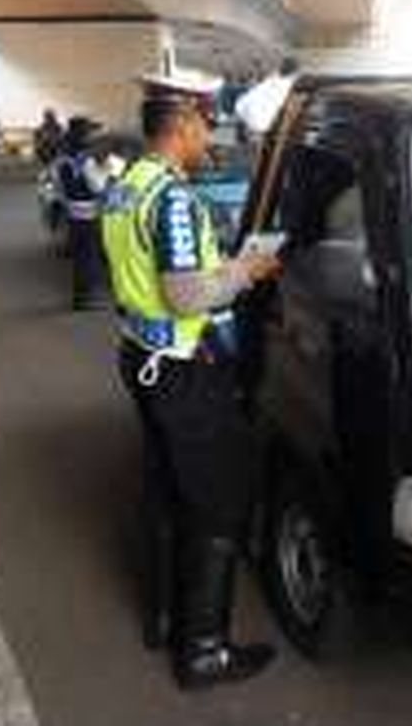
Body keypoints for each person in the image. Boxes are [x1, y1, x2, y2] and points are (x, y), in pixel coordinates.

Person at [101, 79, 281, 690]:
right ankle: (203, 651)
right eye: (205, 124)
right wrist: (246, 270)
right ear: (180, 126)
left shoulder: (126, 186)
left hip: (140, 354)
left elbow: (143, 278)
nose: (210, 136)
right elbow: (187, 295)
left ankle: (163, 619)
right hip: (179, 367)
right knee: (216, 500)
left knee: (166, 491)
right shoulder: (174, 198)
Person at [55, 116, 108, 309]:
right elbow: (98, 186)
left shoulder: (63, 159)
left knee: (79, 257)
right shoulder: (86, 160)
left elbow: (59, 187)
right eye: (91, 132)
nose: (94, 136)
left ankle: (80, 296)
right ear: (84, 136)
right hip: (90, 212)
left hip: (73, 213)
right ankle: (86, 298)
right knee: (89, 257)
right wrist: (108, 171)